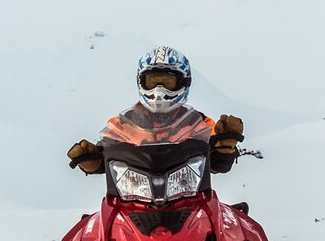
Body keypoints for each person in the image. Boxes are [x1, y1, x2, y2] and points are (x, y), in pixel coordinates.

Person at [67, 46, 243, 177]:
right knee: (98, 223)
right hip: (134, 197)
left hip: (187, 194)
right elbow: (108, 153)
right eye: (153, 81)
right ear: (141, 82)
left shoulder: (198, 122)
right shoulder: (124, 123)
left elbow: (218, 163)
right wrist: (94, 159)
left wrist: (224, 147)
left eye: (168, 81)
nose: (159, 90)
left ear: (184, 82)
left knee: (221, 219)